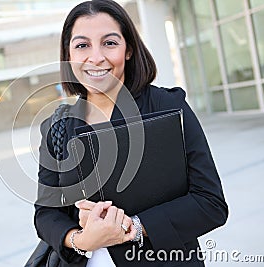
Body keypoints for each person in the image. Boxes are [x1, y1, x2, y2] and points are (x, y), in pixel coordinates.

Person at [34, 0, 228, 266]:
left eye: (110, 43)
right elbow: (46, 213)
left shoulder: (168, 107)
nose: (96, 57)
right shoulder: (57, 128)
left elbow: (210, 204)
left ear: (129, 50)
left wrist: (132, 228)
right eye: (82, 45)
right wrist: (80, 240)